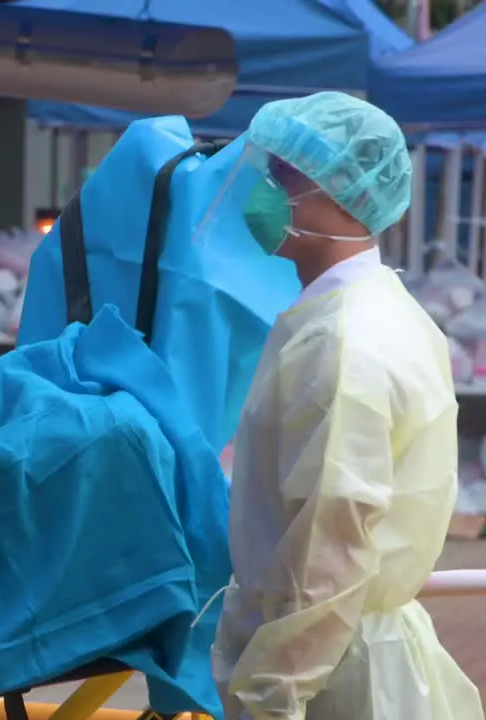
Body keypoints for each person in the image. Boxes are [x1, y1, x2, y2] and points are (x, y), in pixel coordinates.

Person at [208, 91, 483, 719]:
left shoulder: (341, 343)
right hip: (354, 663)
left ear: (337, 190)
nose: (261, 190)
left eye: (280, 174)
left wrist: (270, 697)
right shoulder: (382, 316)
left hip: (331, 682)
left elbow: (325, 556)